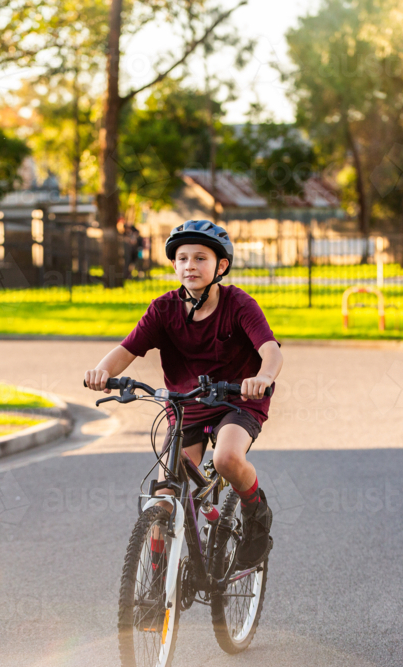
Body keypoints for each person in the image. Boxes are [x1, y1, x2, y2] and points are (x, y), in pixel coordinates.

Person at [84, 220, 283, 572]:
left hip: (236, 400)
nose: (190, 265)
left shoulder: (238, 304)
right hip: (187, 403)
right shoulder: (163, 309)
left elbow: (270, 350)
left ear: (221, 266)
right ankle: (157, 583)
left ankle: (256, 513)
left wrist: (263, 376)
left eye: (200, 258)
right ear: (174, 265)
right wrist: (103, 371)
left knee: (225, 459)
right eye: (182, 258)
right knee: (165, 494)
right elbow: (127, 349)